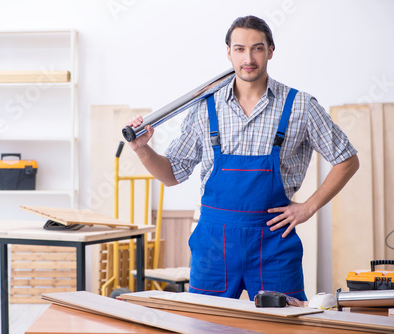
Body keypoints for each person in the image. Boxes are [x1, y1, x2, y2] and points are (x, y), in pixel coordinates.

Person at [125, 15, 359, 301]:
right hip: (213, 248)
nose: (248, 58)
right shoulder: (204, 108)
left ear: (270, 50)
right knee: (206, 325)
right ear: (229, 53)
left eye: (257, 48)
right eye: (239, 49)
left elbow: (347, 159)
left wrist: (309, 207)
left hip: (273, 245)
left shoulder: (300, 106)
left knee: (282, 325)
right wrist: (141, 149)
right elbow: (171, 175)